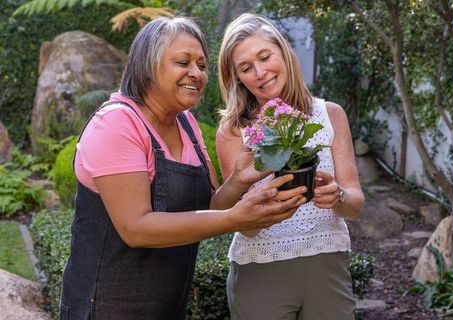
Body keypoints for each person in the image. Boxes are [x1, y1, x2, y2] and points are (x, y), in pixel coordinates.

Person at [60, 16, 307, 320]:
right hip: (107, 307)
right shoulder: (116, 124)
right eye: (183, 62)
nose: (196, 73)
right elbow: (135, 228)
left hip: (166, 306)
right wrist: (234, 219)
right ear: (148, 66)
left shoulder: (186, 123)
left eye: (202, 65)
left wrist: (239, 181)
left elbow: (209, 206)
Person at [216, 13, 365, 320]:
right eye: (246, 68)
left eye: (265, 56)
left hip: (328, 262)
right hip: (260, 268)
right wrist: (261, 208)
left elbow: (354, 205)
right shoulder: (235, 131)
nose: (260, 72)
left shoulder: (331, 114)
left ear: (283, 52)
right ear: (237, 78)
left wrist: (337, 196)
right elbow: (231, 216)